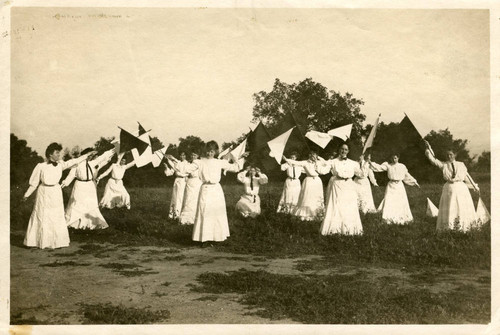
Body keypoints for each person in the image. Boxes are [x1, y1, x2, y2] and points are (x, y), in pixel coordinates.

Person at [22, 143, 97, 249]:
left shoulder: (61, 164)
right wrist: (26, 195)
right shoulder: (41, 166)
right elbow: (34, 183)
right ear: (50, 154)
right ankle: (37, 241)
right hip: (43, 193)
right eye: (57, 153)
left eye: (59, 153)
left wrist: (87, 155)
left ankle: (57, 242)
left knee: (56, 215)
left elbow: (74, 161)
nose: (59, 155)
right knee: (41, 215)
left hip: (56, 192)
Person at [168, 141, 244, 244]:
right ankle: (204, 238)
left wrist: (242, 158)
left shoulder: (219, 162)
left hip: (216, 190)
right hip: (205, 189)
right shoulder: (199, 162)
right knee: (204, 212)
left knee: (217, 213)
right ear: (205, 151)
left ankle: (217, 238)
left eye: (212, 151)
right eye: (208, 151)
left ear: (215, 151)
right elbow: (185, 168)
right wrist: (172, 161)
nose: (209, 153)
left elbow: (235, 168)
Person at [424, 140, 479, 231]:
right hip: (449, 188)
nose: (449, 156)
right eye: (448, 155)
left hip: (460, 188)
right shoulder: (444, 165)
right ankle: (449, 227)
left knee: (461, 206)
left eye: (451, 154)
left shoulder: (461, 164)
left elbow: (466, 176)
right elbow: (433, 159)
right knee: (450, 207)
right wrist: (428, 148)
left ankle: (464, 227)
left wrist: (474, 186)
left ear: (455, 155)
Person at [61, 148, 115, 230]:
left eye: (91, 155)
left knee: (91, 205)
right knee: (77, 204)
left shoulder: (92, 163)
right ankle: (75, 225)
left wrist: (112, 151)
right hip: (79, 185)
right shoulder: (77, 164)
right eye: (89, 155)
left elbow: (103, 157)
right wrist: (64, 183)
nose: (91, 157)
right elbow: (71, 175)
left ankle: (90, 224)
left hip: (89, 186)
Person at [320, 143, 364, 235]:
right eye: (342, 149)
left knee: (348, 206)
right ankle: (335, 230)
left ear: (348, 151)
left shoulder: (353, 163)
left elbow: (361, 175)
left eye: (346, 149)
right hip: (337, 185)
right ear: (339, 150)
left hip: (348, 186)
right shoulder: (333, 161)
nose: (343, 151)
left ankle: (349, 229)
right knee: (337, 206)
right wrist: (317, 164)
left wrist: (362, 163)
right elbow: (323, 171)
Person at [368, 153, 419, 224]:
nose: (393, 159)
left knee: (401, 201)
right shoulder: (388, 165)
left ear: (398, 158)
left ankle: (402, 218)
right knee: (389, 201)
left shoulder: (402, 166)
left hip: (399, 186)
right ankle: (389, 218)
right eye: (392, 158)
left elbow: (407, 175)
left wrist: (414, 181)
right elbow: (379, 168)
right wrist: (370, 163)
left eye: (395, 158)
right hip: (391, 186)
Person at [284, 150, 327, 221]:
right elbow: (295, 162)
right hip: (309, 181)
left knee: (317, 197)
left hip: (317, 181)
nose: (313, 156)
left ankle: (317, 214)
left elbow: (325, 163)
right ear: (309, 155)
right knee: (307, 197)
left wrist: (318, 157)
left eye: (315, 154)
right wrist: (286, 159)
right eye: (311, 154)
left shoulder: (318, 162)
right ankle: (306, 215)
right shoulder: (305, 162)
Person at [164, 151, 190, 220]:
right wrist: (166, 167)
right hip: (177, 181)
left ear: (186, 156)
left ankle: (177, 215)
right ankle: (171, 214)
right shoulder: (176, 163)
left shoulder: (187, 164)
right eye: (181, 155)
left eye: (183, 155)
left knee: (180, 197)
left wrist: (171, 159)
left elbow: (185, 172)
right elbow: (170, 173)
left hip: (183, 181)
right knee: (174, 197)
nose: (182, 157)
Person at [178, 152, 203, 225]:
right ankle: (187, 218)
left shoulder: (200, 164)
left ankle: (197, 217)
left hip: (198, 182)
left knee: (196, 199)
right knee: (188, 199)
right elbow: (183, 172)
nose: (193, 156)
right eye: (192, 155)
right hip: (190, 182)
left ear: (198, 156)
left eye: (194, 155)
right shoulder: (189, 165)